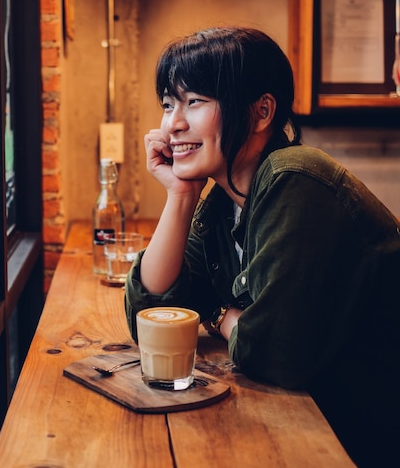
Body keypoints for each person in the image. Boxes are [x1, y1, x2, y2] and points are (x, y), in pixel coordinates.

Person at [125, 27, 400, 467]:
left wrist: (214, 314)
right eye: (167, 103)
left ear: (262, 112)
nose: (173, 123)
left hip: (368, 433)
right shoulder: (221, 202)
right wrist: (179, 197)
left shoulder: (295, 177)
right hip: (317, 419)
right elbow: (150, 317)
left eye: (195, 101)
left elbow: (275, 352)